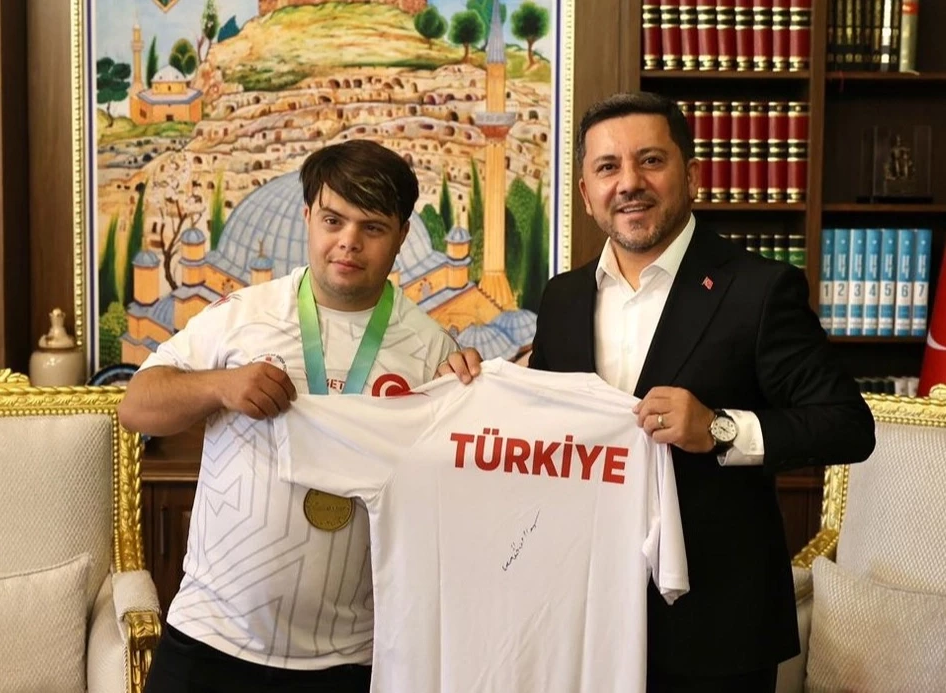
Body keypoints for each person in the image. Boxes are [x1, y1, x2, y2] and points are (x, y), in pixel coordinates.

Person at [441, 91, 875, 692]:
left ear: (690, 174)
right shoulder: (563, 297)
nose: (629, 183)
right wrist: (471, 390)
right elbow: (545, 432)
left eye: (650, 160)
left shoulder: (759, 289)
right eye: (608, 167)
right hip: (581, 612)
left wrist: (720, 428)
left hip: (712, 628)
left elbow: (847, 425)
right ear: (586, 191)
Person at [120, 139, 459, 693]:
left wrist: (470, 391)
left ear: (401, 236)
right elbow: (136, 406)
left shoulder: (432, 350)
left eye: (373, 227)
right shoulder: (240, 315)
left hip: (351, 659)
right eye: (333, 220)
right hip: (210, 641)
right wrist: (220, 386)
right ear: (308, 218)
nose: (348, 242)